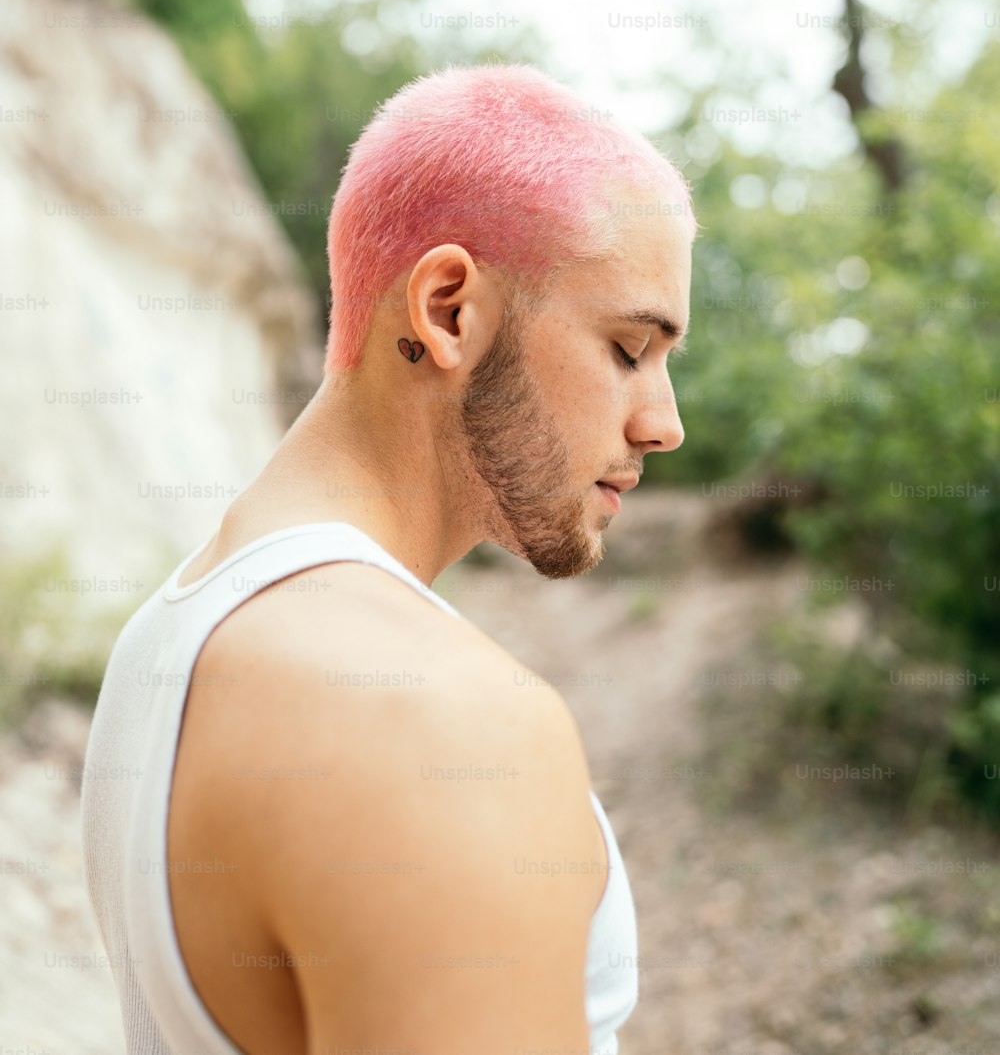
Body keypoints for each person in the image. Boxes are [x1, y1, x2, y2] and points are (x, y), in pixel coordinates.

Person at [81, 62, 696, 1055]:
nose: (664, 422)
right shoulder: (439, 722)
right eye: (629, 347)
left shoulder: (172, 631)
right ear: (448, 308)